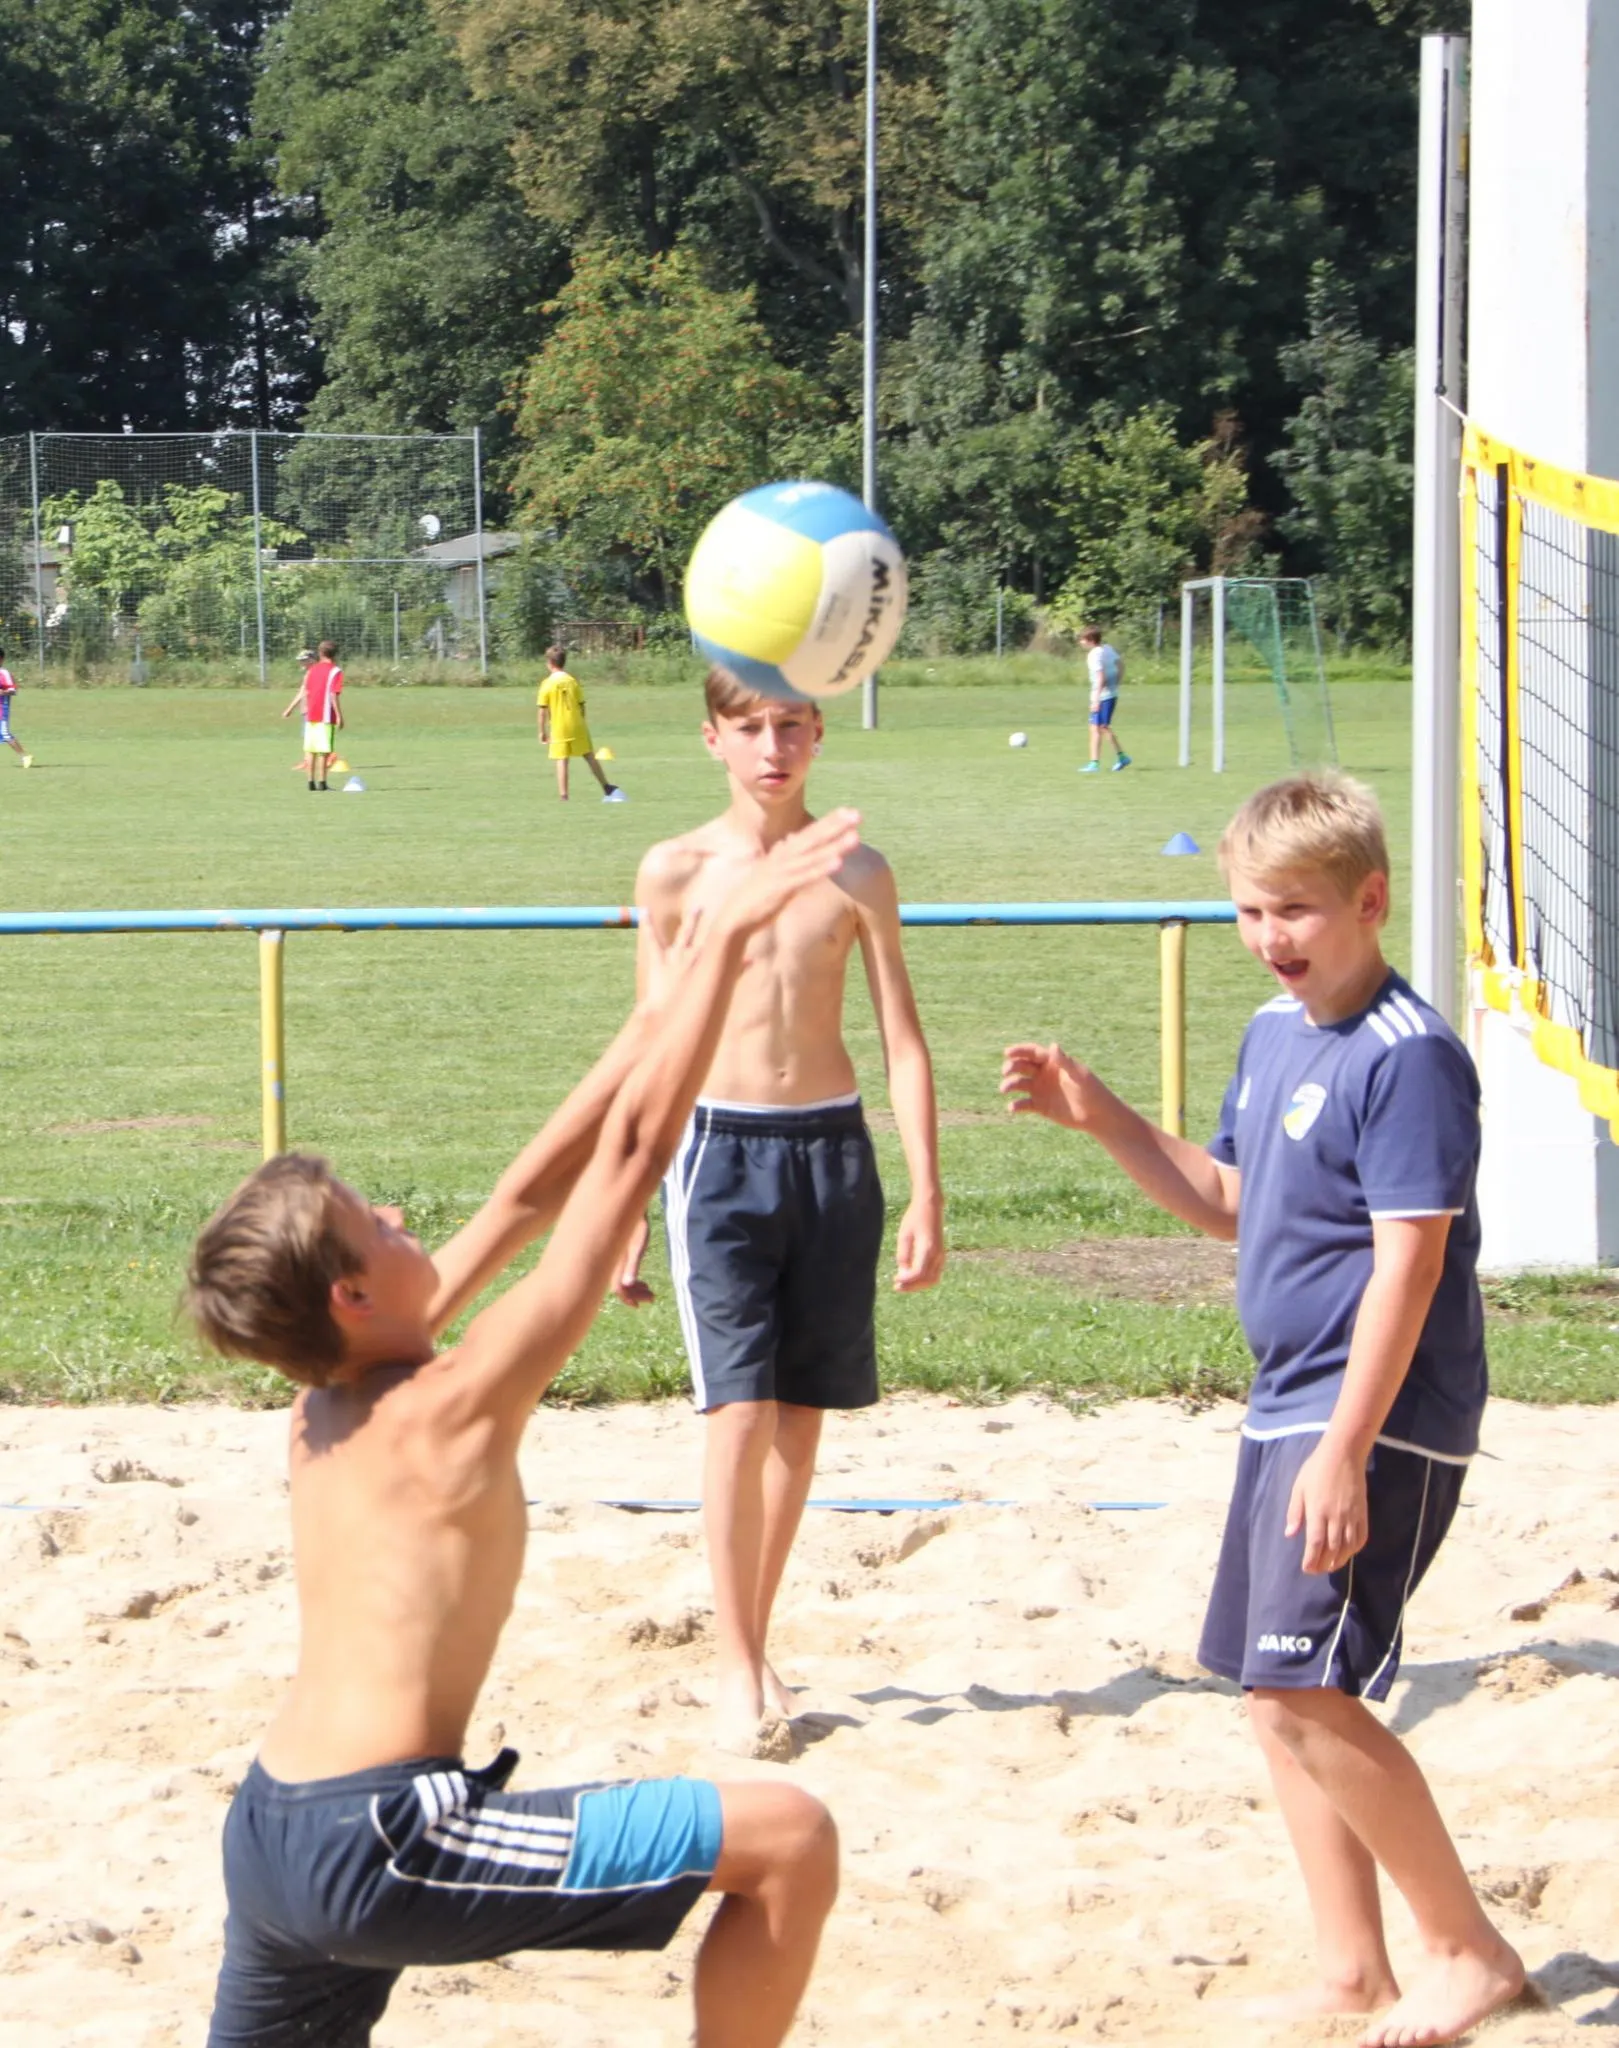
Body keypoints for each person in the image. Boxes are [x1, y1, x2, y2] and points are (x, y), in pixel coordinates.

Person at [184, 806, 861, 2048]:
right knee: (788, 1836)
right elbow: (632, 1156)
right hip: (387, 1838)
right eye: (377, 1222)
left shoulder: (321, 1400)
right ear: (350, 1295)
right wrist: (725, 943)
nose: (401, 1215)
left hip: (271, 1829)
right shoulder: (448, 1406)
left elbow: (526, 1190)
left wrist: (660, 1008)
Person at [1000, 772, 1524, 2048]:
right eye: (1247, 909)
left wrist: (1344, 1447)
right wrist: (1104, 1118)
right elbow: (1228, 1200)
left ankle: (1467, 1949)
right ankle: (1352, 1969)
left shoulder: (1408, 1058)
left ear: (1369, 899)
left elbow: (1408, 1263)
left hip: (1371, 1411)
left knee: (1302, 1689)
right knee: (1267, 1689)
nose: (1267, 934)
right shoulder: (1273, 1030)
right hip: (1284, 1397)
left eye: (1293, 909)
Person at [625, 666, 945, 1755]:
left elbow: (902, 1036)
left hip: (832, 1149)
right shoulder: (674, 870)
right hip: (717, 1153)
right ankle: (734, 1662)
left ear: (818, 736)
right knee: (738, 1411)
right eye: (752, 727)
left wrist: (926, 1187)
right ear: (712, 738)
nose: (774, 747)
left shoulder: (858, 870)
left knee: (799, 1416)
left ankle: (752, 1639)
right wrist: (631, 1198)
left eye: (794, 726)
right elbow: (652, 1046)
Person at [539, 644, 623, 802]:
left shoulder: (547, 683)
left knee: (562, 759)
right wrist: (581, 722)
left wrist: (542, 731)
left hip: (559, 726)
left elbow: (542, 709)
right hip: (577, 723)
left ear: (549, 663)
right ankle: (607, 787)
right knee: (589, 755)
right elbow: (581, 704)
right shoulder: (572, 681)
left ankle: (564, 797)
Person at [282, 641, 344, 790]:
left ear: (320, 653)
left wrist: (290, 709)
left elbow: (306, 690)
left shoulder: (312, 670)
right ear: (335, 654)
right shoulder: (335, 671)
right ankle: (322, 783)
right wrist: (339, 715)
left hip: (310, 714)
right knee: (323, 751)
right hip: (325, 715)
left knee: (310, 750)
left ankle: (310, 783)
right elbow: (333, 694)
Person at [1078, 625, 1130, 773]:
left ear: (1090, 640)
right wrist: (1117, 682)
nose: (1081, 642)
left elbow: (1100, 677)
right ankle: (1095, 762)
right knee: (1096, 728)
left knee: (1102, 727)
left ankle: (1121, 757)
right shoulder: (1107, 649)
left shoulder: (1093, 655)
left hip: (1103, 696)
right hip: (1110, 694)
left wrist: (1096, 700)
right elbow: (1121, 665)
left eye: (1083, 639)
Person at [0, 648, 33, 767]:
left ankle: (25, 756)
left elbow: (13, 690)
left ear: (1, 659)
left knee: (5, 733)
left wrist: (3, 692)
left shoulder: (4, 673)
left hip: (2, 708)